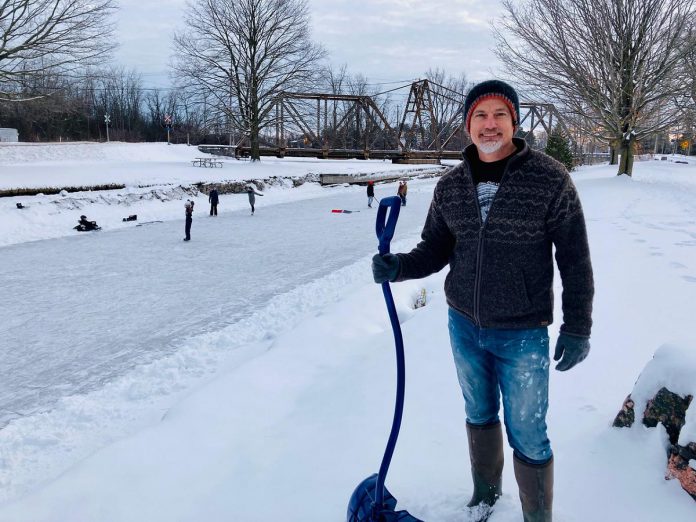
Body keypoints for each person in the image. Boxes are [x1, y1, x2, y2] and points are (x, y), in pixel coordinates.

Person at [372, 80, 594, 522]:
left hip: (523, 331)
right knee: (478, 412)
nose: (490, 125)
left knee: (528, 431)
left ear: (514, 121)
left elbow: (575, 259)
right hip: (464, 325)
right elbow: (434, 249)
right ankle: (485, 499)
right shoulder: (451, 186)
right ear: (467, 125)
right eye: (480, 116)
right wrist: (399, 267)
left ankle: (537, 517)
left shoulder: (550, 178)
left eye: (499, 115)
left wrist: (578, 326)